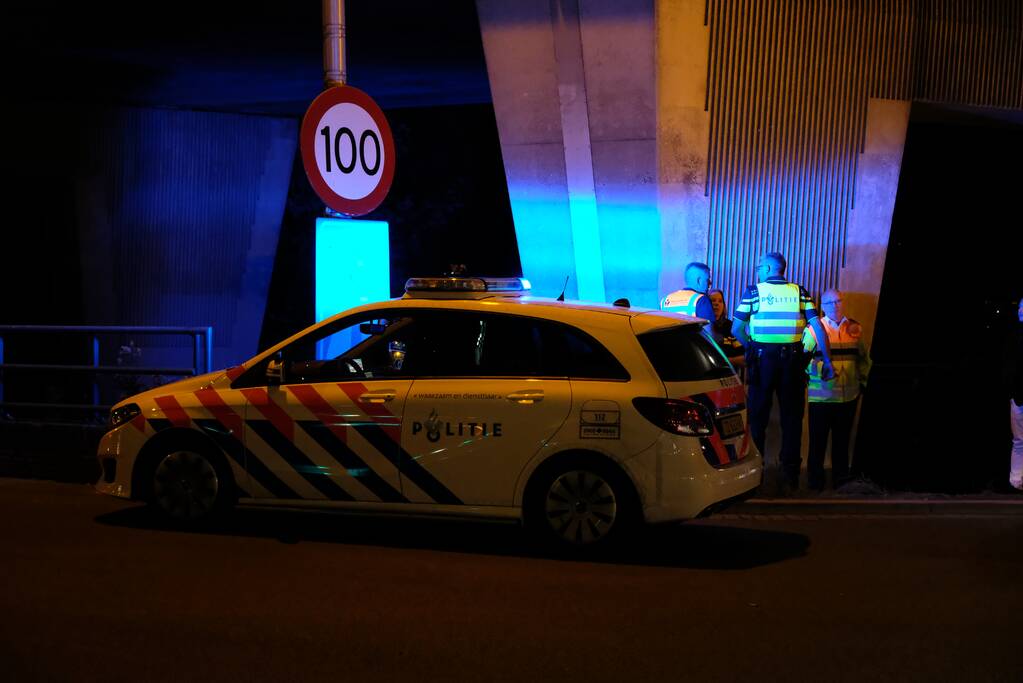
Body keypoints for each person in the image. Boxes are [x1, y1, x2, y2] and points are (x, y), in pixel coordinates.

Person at [732, 252, 834, 492]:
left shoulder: (754, 292)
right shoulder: (800, 292)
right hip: (792, 363)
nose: (757, 271)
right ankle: (789, 477)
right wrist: (827, 359)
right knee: (792, 420)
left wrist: (751, 348)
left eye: (759, 267)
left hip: (763, 361)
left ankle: (754, 478)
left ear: (768, 268)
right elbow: (817, 326)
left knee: (757, 420)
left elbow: (737, 327)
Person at [802, 288, 870, 490]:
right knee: (818, 444)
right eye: (830, 303)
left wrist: (863, 382)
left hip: (848, 396)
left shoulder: (854, 328)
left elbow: (864, 360)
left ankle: (841, 482)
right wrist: (823, 368)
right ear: (823, 307)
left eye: (839, 301)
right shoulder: (815, 329)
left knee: (842, 443)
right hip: (822, 397)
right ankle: (815, 484)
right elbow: (803, 360)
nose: (836, 306)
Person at [1005, 297, 1023, 492]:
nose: (1020, 310)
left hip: (1018, 395)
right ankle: (1015, 480)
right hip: (1018, 396)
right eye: (1020, 307)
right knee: (1019, 440)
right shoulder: (1014, 337)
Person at [708, 288, 744, 367]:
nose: (717, 303)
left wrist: (728, 361)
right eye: (713, 300)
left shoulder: (730, 326)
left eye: (720, 301)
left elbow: (743, 357)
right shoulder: (702, 326)